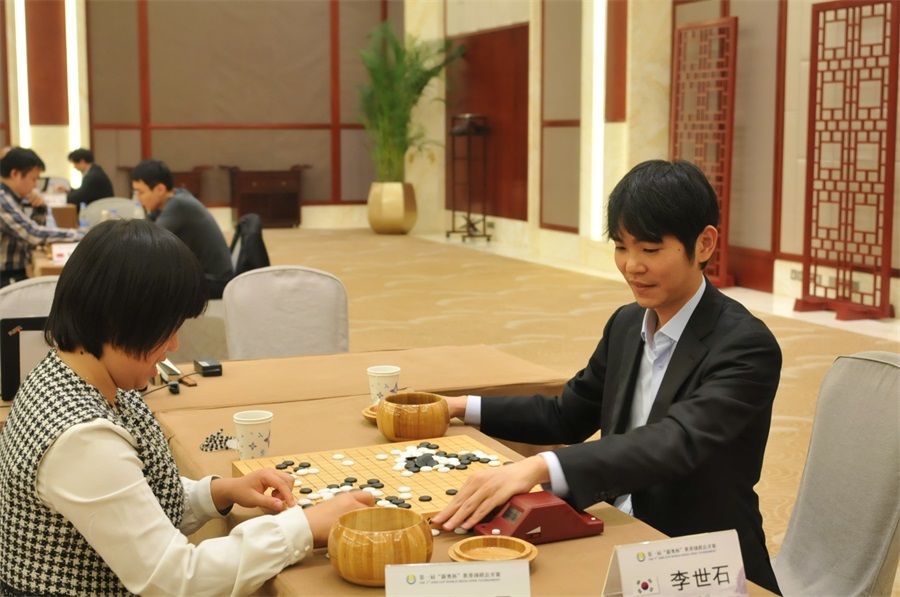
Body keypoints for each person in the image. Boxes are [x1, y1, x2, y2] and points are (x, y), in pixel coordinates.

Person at [431, 160, 783, 594]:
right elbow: (566, 416)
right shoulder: (627, 324)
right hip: (613, 527)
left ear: (704, 244)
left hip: (695, 557)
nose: (631, 266)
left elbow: (676, 441)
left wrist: (539, 466)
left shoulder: (745, 345)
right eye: (621, 246)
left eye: (650, 250)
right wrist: (459, 407)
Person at [0, 219, 374, 596]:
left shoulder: (73, 373)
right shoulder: (81, 439)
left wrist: (220, 492)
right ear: (119, 321)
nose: (175, 345)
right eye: (167, 328)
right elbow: (176, 578)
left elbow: (127, 493)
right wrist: (304, 528)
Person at [130, 159, 234, 298]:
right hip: (203, 276)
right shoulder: (168, 201)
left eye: (140, 192)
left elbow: (148, 242)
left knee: (148, 285)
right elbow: (142, 232)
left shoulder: (179, 205)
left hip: (215, 282)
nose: (138, 199)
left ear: (160, 189)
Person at [0, 147, 82, 287]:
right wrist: (82, 234)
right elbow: (33, 234)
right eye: (33, 179)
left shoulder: (12, 196)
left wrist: (40, 209)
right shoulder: (2, 198)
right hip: (5, 277)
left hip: (14, 272)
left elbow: (32, 234)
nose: (35, 185)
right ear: (15, 174)